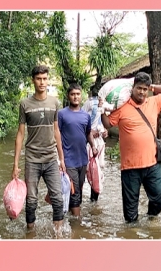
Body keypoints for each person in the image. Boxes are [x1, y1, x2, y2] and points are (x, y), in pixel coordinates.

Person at [99, 72, 161, 222]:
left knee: (160, 198)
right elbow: (107, 124)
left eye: (145, 89)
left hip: (152, 164)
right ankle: (133, 235)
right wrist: (102, 110)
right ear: (132, 88)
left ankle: (151, 218)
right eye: (139, 88)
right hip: (130, 167)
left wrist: (152, 86)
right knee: (130, 212)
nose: (142, 92)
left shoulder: (154, 102)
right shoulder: (122, 107)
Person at [11, 65, 65, 232]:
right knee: (31, 200)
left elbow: (56, 131)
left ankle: (58, 234)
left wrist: (62, 159)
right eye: (39, 79)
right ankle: (30, 232)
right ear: (33, 80)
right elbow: (20, 134)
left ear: (48, 80)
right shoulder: (25, 104)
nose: (42, 82)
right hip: (32, 159)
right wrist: (15, 164)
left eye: (45, 79)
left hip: (50, 158)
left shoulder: (55, 102)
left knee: (57, 198)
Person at [58, 84, 98, 218]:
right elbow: (56, 135)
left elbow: (88, 133)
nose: (75, 97)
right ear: (68, 96)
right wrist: (59, 158)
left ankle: (69, 214)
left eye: (78, 94)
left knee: (78, 190)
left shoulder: (86, 116)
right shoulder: (62, 114)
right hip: (68, 160)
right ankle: (77, 224)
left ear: (81, 96)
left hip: (83, 160)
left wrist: (93, 146)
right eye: (72, 94)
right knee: (74, 192)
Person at [82, 85, 108, 202]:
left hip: (99, 142)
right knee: (88, 169)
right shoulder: (88, 104)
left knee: (97, 169)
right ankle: (80, 200)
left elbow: (102, 121)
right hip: (87, 142)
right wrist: (89, 132)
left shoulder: (103, 105)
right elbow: (81, 120)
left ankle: (94, 198)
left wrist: (104, 131)